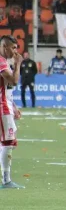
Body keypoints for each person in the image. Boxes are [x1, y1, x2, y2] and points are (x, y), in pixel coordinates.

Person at [0, 35, 24, 188]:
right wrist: (18, 65)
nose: (16, 52)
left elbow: (6, 88)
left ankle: (5, 179)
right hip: (2, 106)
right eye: (13, 48)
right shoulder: (1, 62)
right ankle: (6, 180)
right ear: (4, 47)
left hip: (6, 103)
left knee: (5, 142)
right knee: (8, 142)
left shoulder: (4, 61)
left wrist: (13, 105)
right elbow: (14, 81)